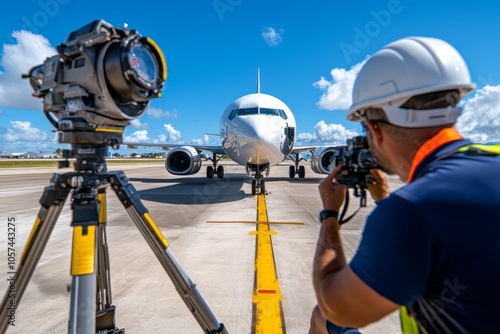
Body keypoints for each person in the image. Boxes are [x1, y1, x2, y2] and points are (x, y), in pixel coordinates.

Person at [310, 36, 500, 333]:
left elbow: (339, 307)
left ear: (374, 127)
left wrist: (330, 216)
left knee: (325, 317)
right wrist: (385, 200)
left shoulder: (411, 210)